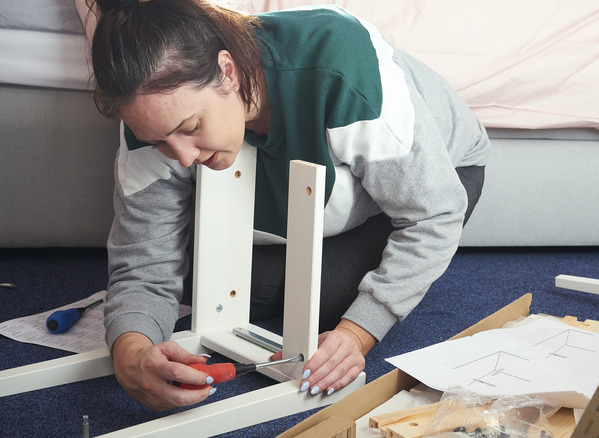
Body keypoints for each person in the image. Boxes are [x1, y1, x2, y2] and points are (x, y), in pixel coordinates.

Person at [79, 0, 490, 411]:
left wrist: (358, 331)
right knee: (206, 277)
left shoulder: (340, 66)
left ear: (227, 70)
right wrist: (131, 355)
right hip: (305, 216)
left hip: (439, 179)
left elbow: (435, 213)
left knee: (327, 302)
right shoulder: (150, 114)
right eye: (159, 142)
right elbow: (144, 260)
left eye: (190, 128)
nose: (183, 158)